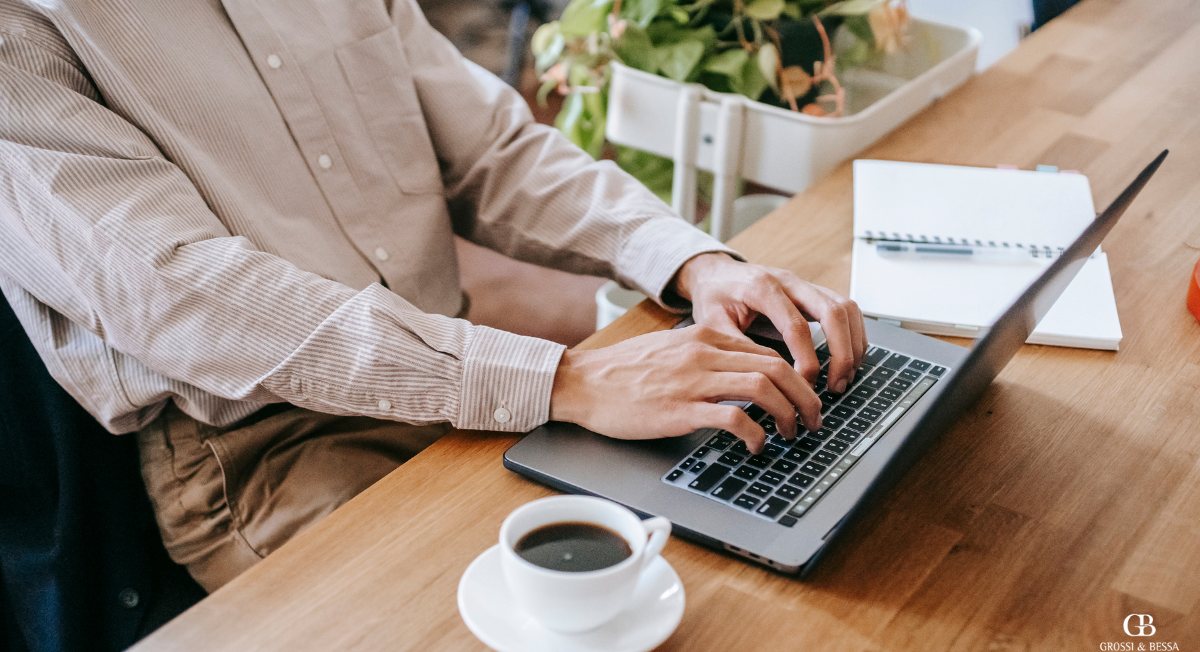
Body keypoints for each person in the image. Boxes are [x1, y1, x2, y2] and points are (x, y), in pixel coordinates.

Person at [0, 0, 864, 592]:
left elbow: (491, 150)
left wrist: (691, 262)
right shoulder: (25, 32)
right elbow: (186, 298)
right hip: (270, 446)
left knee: (742, 549)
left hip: (455, 365)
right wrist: (566, 379)